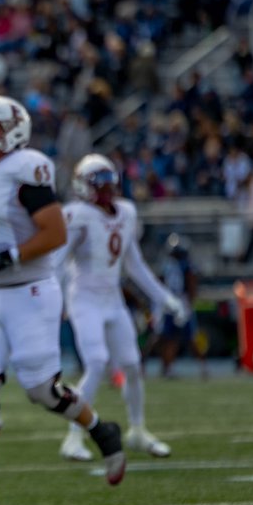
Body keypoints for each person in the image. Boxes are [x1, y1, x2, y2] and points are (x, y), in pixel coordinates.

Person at [0, 96, 126, 505]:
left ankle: (99, 428)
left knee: (41, 390)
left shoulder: (27, 166)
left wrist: (12, 256)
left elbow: (54, 232)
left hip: (31, 291)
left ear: (15, 131)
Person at [54, 154, 189, 462]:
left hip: (112, 299)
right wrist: (56, 300)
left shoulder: (127, 212)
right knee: (97, 362)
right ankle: (74, 437)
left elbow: (135, 265)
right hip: (84, 298)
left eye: (106, 181)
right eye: (96, 181)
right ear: (82, 185)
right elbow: (58, 262)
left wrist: (166, 298)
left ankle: (138, 430)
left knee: (131, 364)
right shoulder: (77, 215)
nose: (103, 188)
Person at [153, 233, 207, 379]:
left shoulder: (169, 265)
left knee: (169, 337)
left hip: (169, 303)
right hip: (180, 303)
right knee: (184, 337)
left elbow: (161, 283)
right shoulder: (184, 266)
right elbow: (191, 285)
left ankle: (166, 368)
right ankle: (201, 367)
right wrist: (190, 302)